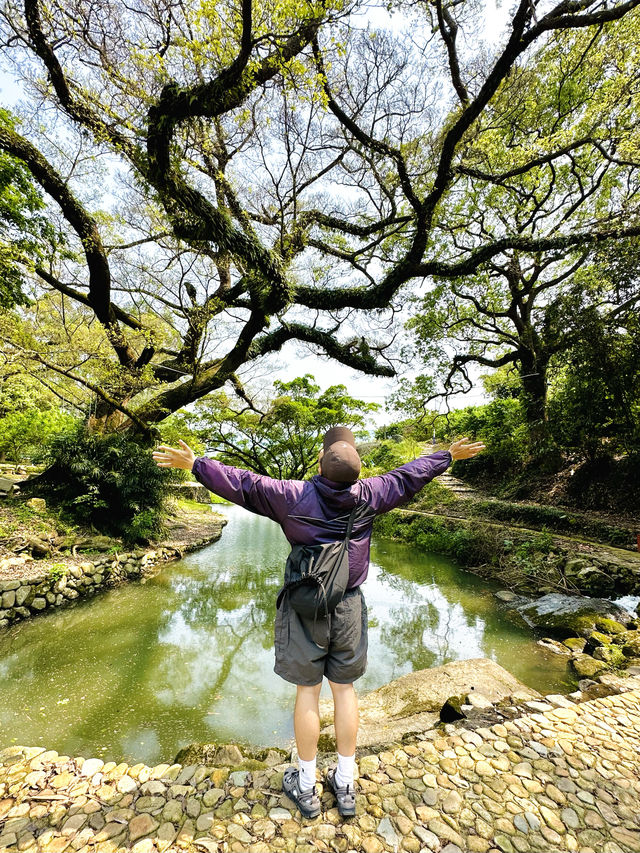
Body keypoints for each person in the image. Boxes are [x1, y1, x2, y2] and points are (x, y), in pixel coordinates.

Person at [152, 428, 485, 819]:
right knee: (344, 692)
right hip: (348, 606)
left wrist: (196, 464)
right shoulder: (371, 494)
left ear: (320, 466)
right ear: (357, 475)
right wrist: (446, 456)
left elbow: (243, 484)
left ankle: (306, 784)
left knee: (308, 693)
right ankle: (345, 781)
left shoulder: (291, 496)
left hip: (304, 606)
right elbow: (407, 476)